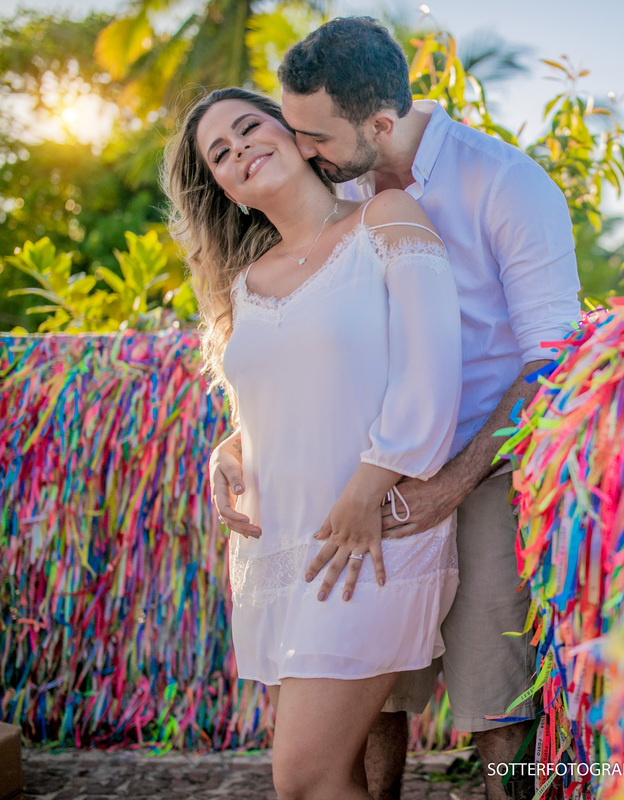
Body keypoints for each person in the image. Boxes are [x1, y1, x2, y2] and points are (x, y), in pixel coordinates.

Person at [208, 16, 580, 800]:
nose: (299, 149)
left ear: (379, 122)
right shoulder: (342, 183)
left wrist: (449, 481)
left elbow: (556, 359)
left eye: (313, 135)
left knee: (491, 684)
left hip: (487, 457)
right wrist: (238, 445)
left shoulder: (505, 183)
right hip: (366, 472)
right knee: (375, 696)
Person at [165, 87, 463, 800]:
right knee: (324, 774)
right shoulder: (244, 284)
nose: (240, 150)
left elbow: (432, 367)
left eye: (249, 129)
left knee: (304, 777)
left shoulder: (386, 218)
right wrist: (228, 453)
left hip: (369, 534)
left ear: (299, 136)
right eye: (221, 153)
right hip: (279, 551)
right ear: (224, 188)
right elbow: (269, 405)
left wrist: (368, 489)